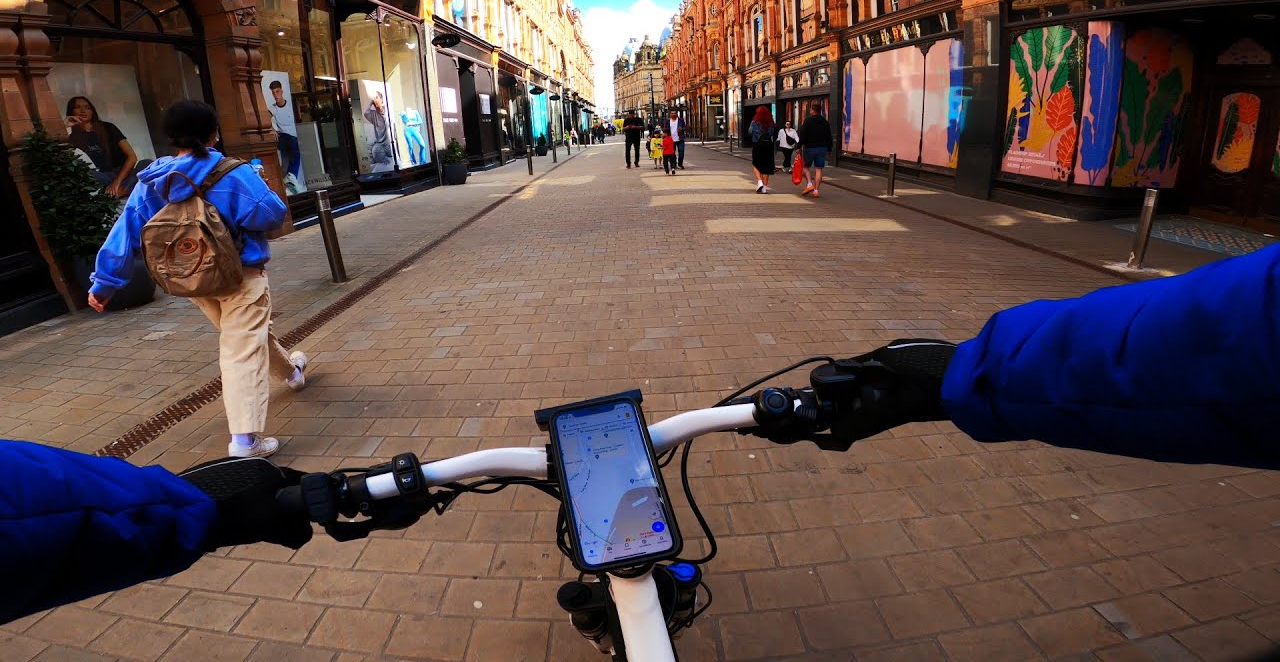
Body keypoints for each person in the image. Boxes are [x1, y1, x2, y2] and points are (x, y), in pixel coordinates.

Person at [5, 241, 1278, 626]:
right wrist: (941, 379)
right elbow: (1228, 339)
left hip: (180, 295)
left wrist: (209, 507)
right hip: (242, 275)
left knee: (244, 351)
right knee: (254, 333)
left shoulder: (141, 188)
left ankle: (249, 433)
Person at [87, 100, 308, 460]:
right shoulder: (233, 173)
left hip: (192, 278)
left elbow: (126, 229)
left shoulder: (154, 180)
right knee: (241, 349)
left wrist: (104, 283)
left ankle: (292, 373)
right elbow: (273, 216)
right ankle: (245, 440)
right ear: (214, 133)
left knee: (250, 337)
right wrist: (260, 187)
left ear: (172, 138)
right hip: (240, 275)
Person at [65, 96, 149, 199]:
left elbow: (132, 157)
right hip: (103, 176)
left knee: (147, 163)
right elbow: (64, 161)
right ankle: (122, 190)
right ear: (71, 111)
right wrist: (64, 125)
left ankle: (119, 190)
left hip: (124, 173)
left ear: (92, 111)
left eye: (87, 107)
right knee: (81, 173)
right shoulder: (74, 137)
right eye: (77, 107)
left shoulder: (108, 128)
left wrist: (116, 182)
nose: (83, 111)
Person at [266, 81, 303, 194]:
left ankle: (290, 180)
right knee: (291, 142)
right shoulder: (272, 108)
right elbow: (265, 119)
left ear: (281, 91)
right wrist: (271, 129)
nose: (275, 94)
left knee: (289, 157)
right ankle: (291, 177)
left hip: (296, 137)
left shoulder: (291, 105)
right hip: (284, 138)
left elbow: (300, 118)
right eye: (273, 93)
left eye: (277, 91)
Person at [798, 103, 834, 199]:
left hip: (809, 148)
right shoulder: (825, 122)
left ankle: (809, 184)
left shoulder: (807, 121)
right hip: (822, 148)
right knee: (819, 169)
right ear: (820, 111)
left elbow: (802, 135)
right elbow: (829, 136)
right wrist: (830, 149)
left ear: (812, 111)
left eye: (810, 110)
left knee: (805, 167)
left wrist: (798, 146)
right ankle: (816, 191)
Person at [748, 106, 777, 194]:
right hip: (768, 144)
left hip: (758, 144)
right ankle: (764, 188)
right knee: (766, 166)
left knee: (756, 163)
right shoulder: (771, 123)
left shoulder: (754, 122)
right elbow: (772, 133)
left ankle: (759, 181)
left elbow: (750, 132)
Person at [363, 90, 394, 172]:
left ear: (382, 99)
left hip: (390, 144)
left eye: (377, 97)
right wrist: (371, 102)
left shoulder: (388, 112)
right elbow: (366, 113)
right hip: (380, 145)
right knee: (375, 149)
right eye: (373, 98)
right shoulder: (373, 115)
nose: (375, 100)